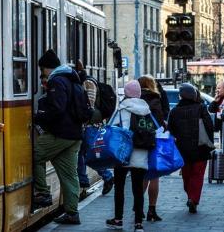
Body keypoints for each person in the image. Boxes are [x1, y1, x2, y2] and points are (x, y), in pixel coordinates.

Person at [32, 50, 83, 225]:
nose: (41, 73)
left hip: (61, 133)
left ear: (46, 68)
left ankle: (42, 193)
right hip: (75, 135)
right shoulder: (71, 78)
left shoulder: (56, 80)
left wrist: (39, 117)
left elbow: (57, 108)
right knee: (69, 175)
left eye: (42, 69)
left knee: (35, 154)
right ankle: (72, 213)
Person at [105, 81, 151, 232]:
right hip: (141, 154)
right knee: (138, 190)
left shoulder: (122, 109)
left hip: (123, 155)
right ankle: (138, 223)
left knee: (119, 188)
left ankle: (118, 219)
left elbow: (111, 127)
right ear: (138, 93)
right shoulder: (146, 109)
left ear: (126, 93)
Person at [168, 83, 215, 214]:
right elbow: (210, 126)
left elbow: (171, 130)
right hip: (200, 148)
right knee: (198, 175)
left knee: (187, 175)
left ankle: (190, 196)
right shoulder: (201, 108)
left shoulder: (175, 111)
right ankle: (193, 199)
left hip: (183, 149)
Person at [74, 60, 114, 198]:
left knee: (89, 153)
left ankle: (107, 176)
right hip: (88, 125)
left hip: (90, 125)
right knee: (82, 154)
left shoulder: (88, 83)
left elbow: (89, 106)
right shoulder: (84, 81)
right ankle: (84, 181)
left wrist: (81, 118)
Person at [138, 75, 165, 222]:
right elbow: (159, 122)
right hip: (152, 141)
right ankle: (152, 210)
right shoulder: (155, 99)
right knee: (154, 176)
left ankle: (138, 208)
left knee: (140, 175)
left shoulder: (132, 99)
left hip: (137, 142)